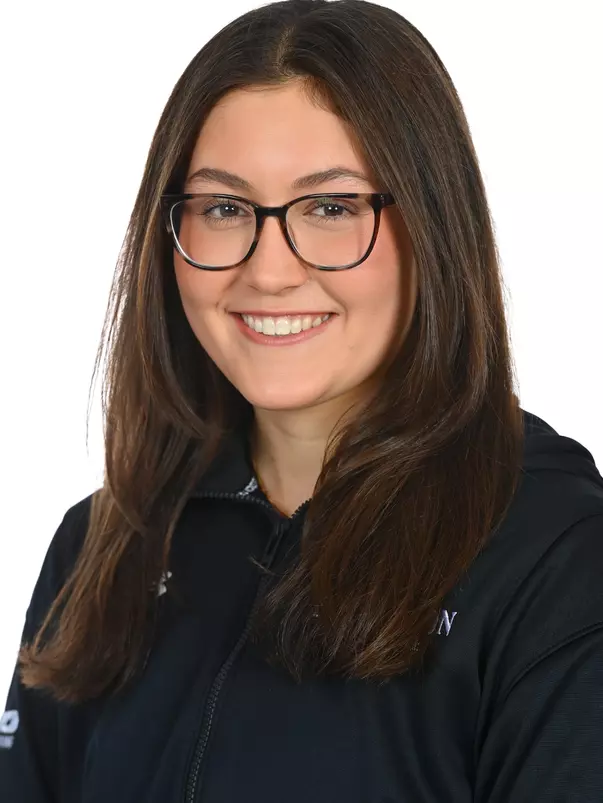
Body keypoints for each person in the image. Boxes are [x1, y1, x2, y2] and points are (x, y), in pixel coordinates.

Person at [2, 0, 603, 800]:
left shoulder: (554, 551)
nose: (270, 269)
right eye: (223, 208)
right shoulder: (102, 544)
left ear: (432, 226)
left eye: (330, 207)